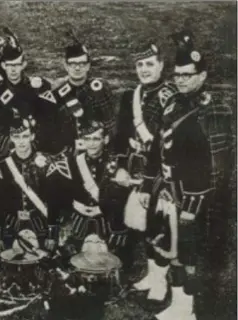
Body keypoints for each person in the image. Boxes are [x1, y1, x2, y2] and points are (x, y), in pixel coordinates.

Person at [141, 32, 227, 320]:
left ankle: (185, 308)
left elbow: (216, 166)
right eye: (177, 75)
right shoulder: (173, 101)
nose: (180, 80)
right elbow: (157, 145)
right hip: (166, 190)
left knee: (187, 253)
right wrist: (146, 183)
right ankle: (164, 291)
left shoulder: (213, 109)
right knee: (161, 240)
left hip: (194, 196)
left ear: (202, 76)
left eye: (187, 75)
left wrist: (192, 207)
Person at [109, 42, 177, 275]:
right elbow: (120, 136)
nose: (144, 69)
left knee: (155, 222)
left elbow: (165, 142)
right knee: (110, 199)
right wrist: (120, 167)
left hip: (158, 170)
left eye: (149, 64)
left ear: (161, 65)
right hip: (131, 167)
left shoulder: (170, 96)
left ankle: (159, 276)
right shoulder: (131, 96)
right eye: (140, 65)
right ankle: (120, 262)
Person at [0, 116, 63, 270]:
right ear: (11, 138)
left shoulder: (47, 163)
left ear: (32, 137)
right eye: (17, 137)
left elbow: (54, 200)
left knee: (43, 268)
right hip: (12, 225)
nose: (21, 141)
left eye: (25, 136)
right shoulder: (0, 167)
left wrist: (52, 233)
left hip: (40, 224)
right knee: (12, 268)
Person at [0, 28, 53, 157]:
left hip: (33, 140)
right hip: (5, 141)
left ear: (23, 65)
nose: (13, 69)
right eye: (9, 65)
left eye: (16, 65)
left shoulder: (37, 86)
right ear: (3, 66)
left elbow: (47, 117)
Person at [49, 33, 115, 155]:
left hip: (97, 153)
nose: (77, 68)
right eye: (73, 64)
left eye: (82, 64)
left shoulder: (100, 89)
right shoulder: (57, 93)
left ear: (88, 66)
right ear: (66, 66)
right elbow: (52, 130)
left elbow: (110, 124)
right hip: (68, 153)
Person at [65, 121, 112, 249]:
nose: (91, 143)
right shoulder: (73, 161)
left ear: (105, 139)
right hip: (79, 218)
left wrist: (102, 208)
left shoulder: (114, 162)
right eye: (87, 139)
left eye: (96, 139)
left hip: (105, 219)